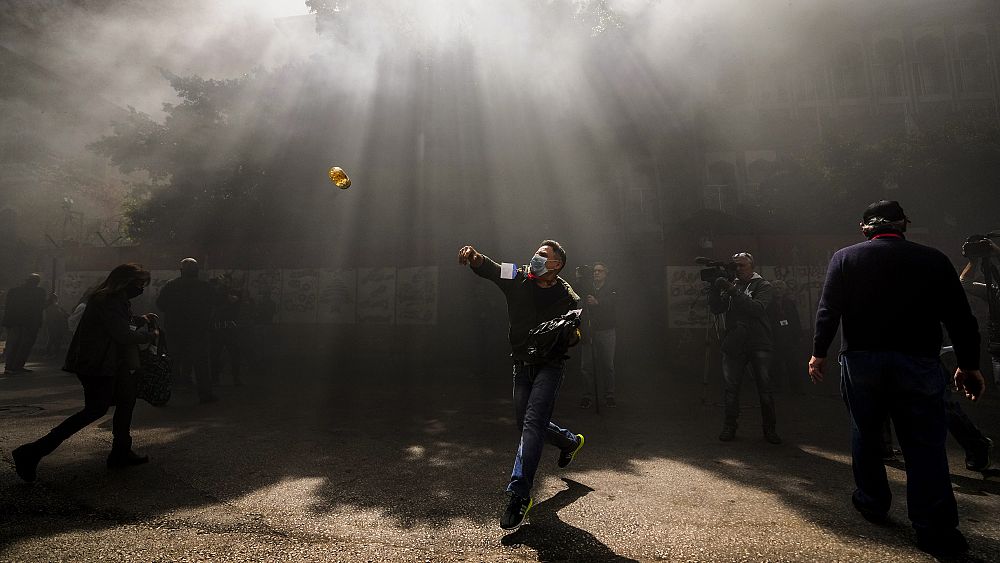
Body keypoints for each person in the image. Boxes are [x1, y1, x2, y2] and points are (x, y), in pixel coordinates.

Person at [809, 200, 984, 556]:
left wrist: (819, 352)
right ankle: (935, 528)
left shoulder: (845, 258)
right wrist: (968, 365)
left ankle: (872, 501)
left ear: (864, 228)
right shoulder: (933, 259)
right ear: (904, 223)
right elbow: (960, 318)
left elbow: (829, 311)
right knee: (924, 444)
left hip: (861, 362)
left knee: (866, 432)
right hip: (917, 361)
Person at [459, 240, 585, 530]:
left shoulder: (567, 296)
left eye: (544, 255)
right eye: (537, 253)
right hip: (521, 364)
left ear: (557, 265)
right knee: (526, 423)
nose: (536, 258)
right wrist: (475, 257)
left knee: (531, 425)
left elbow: (577, 332)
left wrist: (570, 334)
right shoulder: (518, 275)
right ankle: (569, 441)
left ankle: (519, 495)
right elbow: (490, 268)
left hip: (549, 366)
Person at [11, 264, 159, 482]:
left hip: (111, 363)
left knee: (127, 400)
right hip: (97, 364)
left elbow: (121, 323)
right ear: (124, 282)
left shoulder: (114, 299)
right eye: (138, 284)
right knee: (95, 410)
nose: (141, 289)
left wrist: (140, 320)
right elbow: (121, 333)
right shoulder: (107, 300)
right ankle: (31, 452)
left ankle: (121, 452)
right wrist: (150, 335)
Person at [708, 252, 780, 444]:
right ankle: (729, 426)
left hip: (759, 342)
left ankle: (770, 429)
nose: (737, 269)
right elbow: (716, 309)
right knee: (731, 389)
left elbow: (756, 309)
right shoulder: (733, 285)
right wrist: (714, 289)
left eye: (742, 266)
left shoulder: (763, 285)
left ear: (752, 267)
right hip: (735, 342)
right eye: (735, 266)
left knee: (764, 388)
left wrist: (731, 289)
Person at [156, 258, 216, 403]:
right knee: (201, 363)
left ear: (181, 271)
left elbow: (160, 304)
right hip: (198, 331)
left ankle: (166, 394)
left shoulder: (171, 286)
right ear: (197, 272)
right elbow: (213, 304)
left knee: (172, 361)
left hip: (175, 330)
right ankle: (205, 394)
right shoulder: (205, 287)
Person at [578, 262, 618, 409]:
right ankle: (587, 396)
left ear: (606, 273)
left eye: (600, 271)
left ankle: (609, 395)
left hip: (607, 331)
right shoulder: (587, 287)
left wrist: (598, 302)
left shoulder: (612, 287)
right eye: (595, 271)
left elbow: (614, 302)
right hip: (589, 331)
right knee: (586, 366)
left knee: (608, 364)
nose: (596, 273)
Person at [3, 273, 48, 374]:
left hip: (14, 322)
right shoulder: (39, 292)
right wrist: (50, 301)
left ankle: (9, 366)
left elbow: (8, 307)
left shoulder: (14, 291)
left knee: (13, 344)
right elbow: (40, 307)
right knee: (25, 345)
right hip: (30, 323)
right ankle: (17, 365)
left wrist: (6, 322)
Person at [765, 280, 803, 393]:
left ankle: (795, 386)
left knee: (792, 363)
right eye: (775, 289)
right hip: (775, 337)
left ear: (784, 290)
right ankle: (777, 385)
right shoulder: (769, 305)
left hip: (789, 337)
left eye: (780, 288)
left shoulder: (789, 303)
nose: (777, 291)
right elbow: (767, 321)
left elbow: (796, 319)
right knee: (776, 363)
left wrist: (798, 334)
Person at [210, 277, 243, 386]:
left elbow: (235, 300)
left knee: (232, 354)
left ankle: (233, 377)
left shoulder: (232, 295)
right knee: (217, 355)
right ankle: (218, 378)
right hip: (221, 329)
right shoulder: (218, 295)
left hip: (226, 329)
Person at [43, 293, 69, 358]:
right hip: (55, 325)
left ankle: (48, 353)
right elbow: (62, 315)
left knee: (51, 339)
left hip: (51, 325)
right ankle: (53, 353)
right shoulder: (55, 307)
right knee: (55, 340)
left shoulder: (49, 307)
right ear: (54, 299)